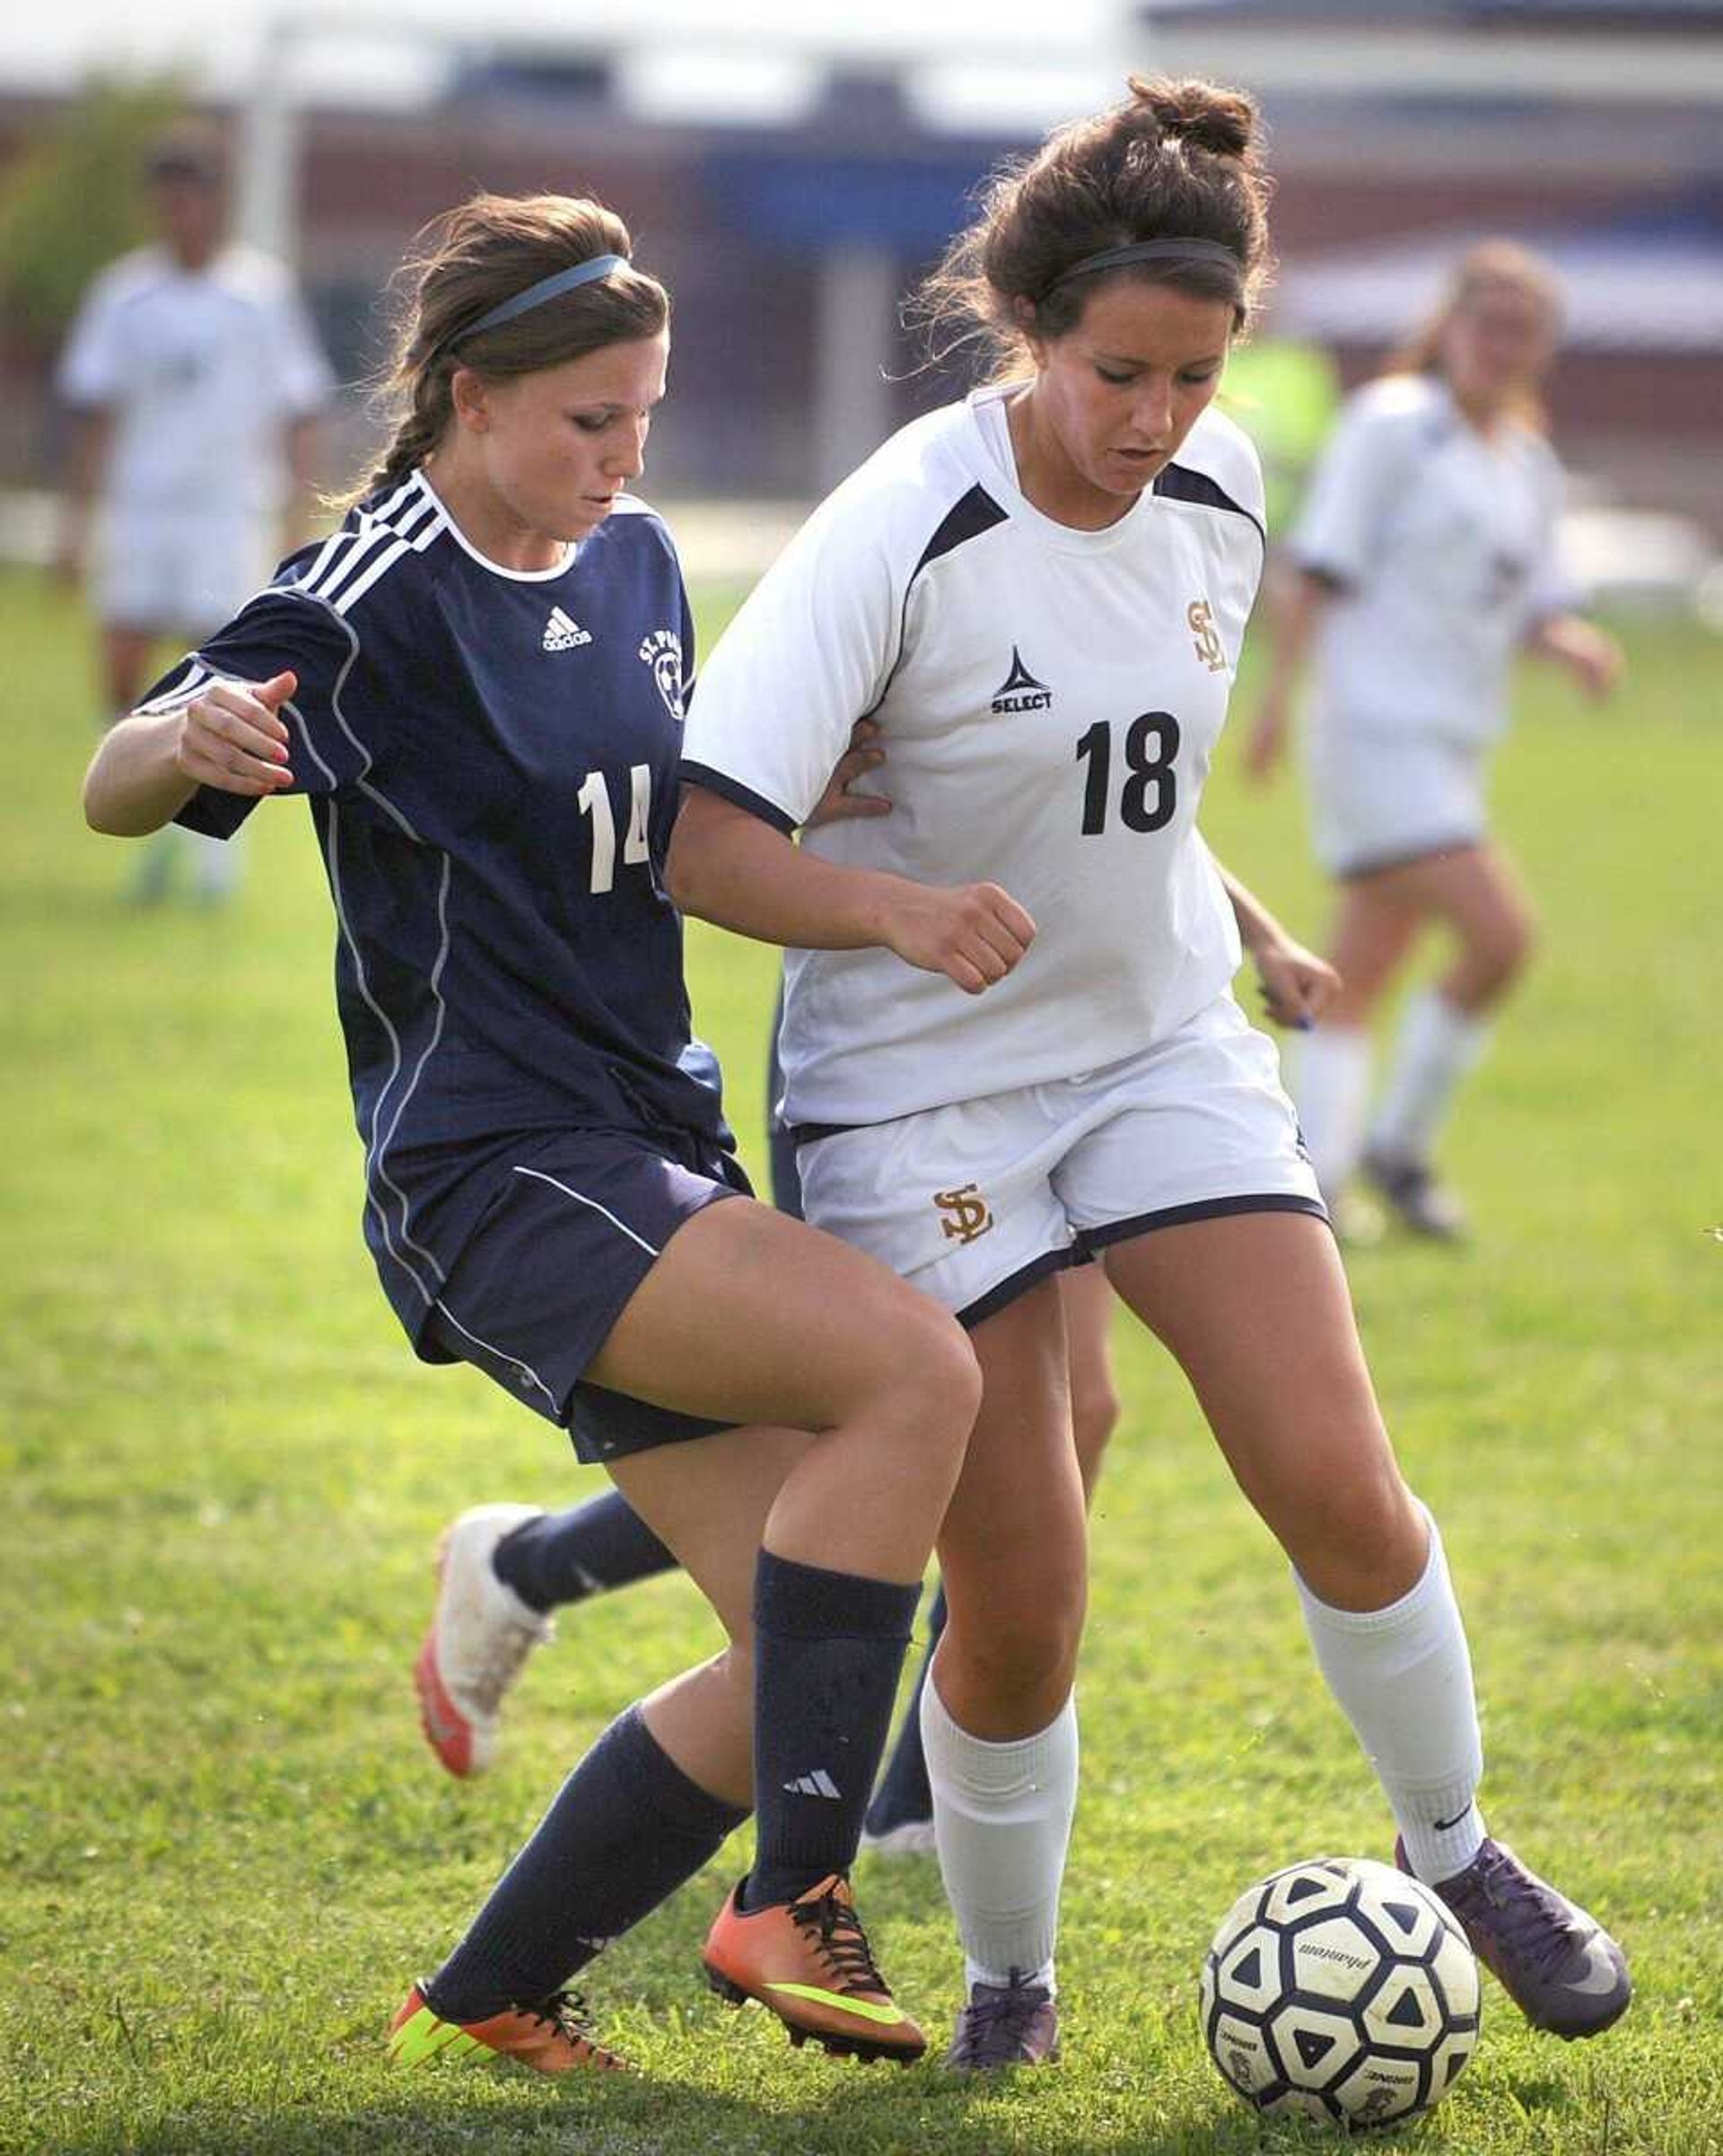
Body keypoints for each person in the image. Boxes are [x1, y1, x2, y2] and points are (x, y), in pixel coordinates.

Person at [662, 79, 1631, 2068]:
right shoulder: (909, 518)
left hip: (1158, 1042)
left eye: (1198, 376)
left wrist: (1256, 925)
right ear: (1031, 334)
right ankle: (1012, 1976)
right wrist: (893, 910)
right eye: (1122, 373)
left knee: (1340, 1486)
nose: (1160, 416)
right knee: (1021, 1598)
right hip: (920, 1089)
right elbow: (705, 837)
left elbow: (1133, 791)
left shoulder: (1225, 494)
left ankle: (1458, 1849)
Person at [82, 190, 990, 2075]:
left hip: (644, 1132)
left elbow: (655, 808)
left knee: (805, 1644)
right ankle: (790, 1899)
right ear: (471, 398)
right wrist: (184, 745)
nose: (623, 457)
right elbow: (114, 776)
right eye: (590, 419)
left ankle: (488, 1988)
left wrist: (846, 786)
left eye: (644, 417)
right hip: (494, 1165)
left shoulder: (638, 555)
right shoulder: (372, 588)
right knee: (913, 1375)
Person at [1246, 241, 1623, 1237]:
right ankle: (1397, 1151)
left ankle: (1311, 1176)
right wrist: (1278, 704)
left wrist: (1571, 641)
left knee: (1357, 972)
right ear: (1448, 327)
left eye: (1522, 334)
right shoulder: (1392, 427)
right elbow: (1315, 571)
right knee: (1502, 939)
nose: (1500, 349)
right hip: (1375, 727)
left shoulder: (1525, 461)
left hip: (1453, 738)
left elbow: (1534, 597)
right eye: (1485, 324)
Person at [57, 124, 334, 904]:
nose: (180, 213)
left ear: (216, 202)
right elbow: (95, 412)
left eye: (194, 196)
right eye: (167, 198)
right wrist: (75, 526)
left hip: (223, 515)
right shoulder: (125, 295)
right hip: (142, 513)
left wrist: (293, 516)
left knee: (218, 675)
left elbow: (300, 409)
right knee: (120, 667)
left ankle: (212, 857)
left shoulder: (258, 295)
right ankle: (142, 824)